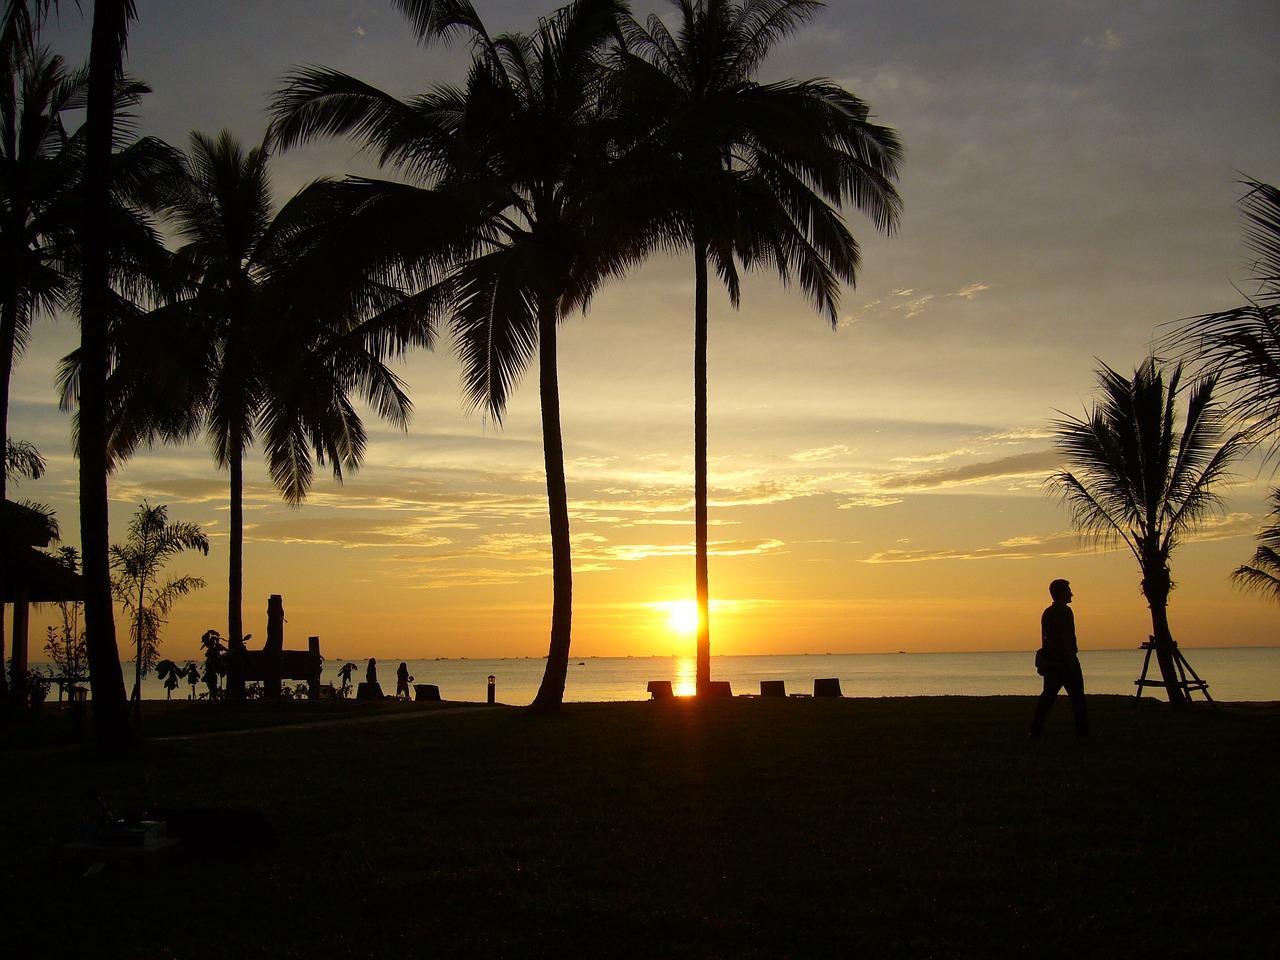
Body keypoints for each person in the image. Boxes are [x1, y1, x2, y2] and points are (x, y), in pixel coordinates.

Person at [1029, 579, 1090, 738]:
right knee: (1078, 698)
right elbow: (1066, 636)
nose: (1071, 593)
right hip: (1063, 661)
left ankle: (1035, 730)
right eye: (1068, 590)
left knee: (1047, 697)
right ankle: (1083, 732)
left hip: (1051, 662)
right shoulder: (1065, 611)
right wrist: (1070, 660)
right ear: (1062, 592)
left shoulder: (1047, 612)